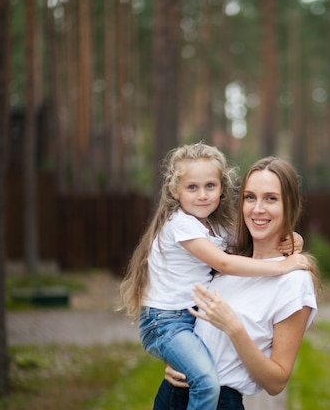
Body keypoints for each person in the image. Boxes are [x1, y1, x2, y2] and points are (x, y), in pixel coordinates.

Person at [119, 143, 310, 410]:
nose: (257, 209)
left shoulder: (292, 279)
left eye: (271, 198)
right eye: (250, 197)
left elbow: (276, 382)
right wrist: (175, 359)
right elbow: (187, 315)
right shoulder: (228, 256)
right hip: (176, 391)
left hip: (219, 399)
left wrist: (234, 328)